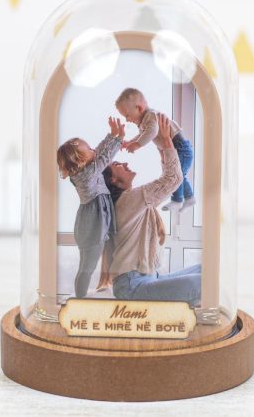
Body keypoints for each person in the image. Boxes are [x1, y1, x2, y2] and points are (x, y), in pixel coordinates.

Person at [102, 115, 201, 306]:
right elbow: (172, 180)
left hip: (146, 278)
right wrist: (166, 141)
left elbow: (168, 179)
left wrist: (162, 147)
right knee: (204, 283)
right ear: (112, 180)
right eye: (118, 165)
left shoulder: (132, 200)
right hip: (132, 286)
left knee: (207, 270)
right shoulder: (127, 201)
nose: (125, 163)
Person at [57, 117, 125, 298]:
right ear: (80, 160)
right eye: (88, 149)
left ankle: (80, 296)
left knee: (85, 266)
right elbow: (104, 157)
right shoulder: (87, 174)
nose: (93, 149)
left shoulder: (83, 169)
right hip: (92, 224)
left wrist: (111, 135)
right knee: (87, 267)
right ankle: (79, 298)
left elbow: (98, 152)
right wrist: (118, 138)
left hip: (92, 220)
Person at [115, 87, 195, 212]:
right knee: (181, 176)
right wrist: (129, 143)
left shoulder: (151, 116)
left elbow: (152, 132)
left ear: (139, 108)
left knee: (176, 176)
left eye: (127, 115)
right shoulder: (145, 121)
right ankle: (190, 198)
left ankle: (177, 200)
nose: (127, 120)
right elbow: (142, 135)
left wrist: (137, 145)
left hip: (180, 148)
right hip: (178, 149)